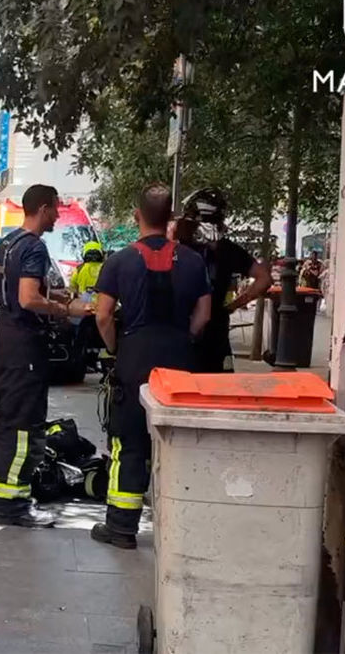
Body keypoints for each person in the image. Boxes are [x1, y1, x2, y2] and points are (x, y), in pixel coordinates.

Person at [90, 185, 211, 549]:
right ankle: (177, 528)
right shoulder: (192, 261)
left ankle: (122, 527)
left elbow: (103, 315)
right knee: (175, 442)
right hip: (178, 361)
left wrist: (115, 348)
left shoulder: (119, 261)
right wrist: (182, 339)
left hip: (135, 357)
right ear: (170, 218)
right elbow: (203, 315)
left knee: (128, 442)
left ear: (136, 216)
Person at [0, 185, 93, 528]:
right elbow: (29, 297)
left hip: (6, 339)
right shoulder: (34, 247)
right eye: (55, 209)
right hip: (25, 344)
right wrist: (63, 308)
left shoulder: (8, 242)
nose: (58, 215)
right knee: (25, 425)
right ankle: (13, 504)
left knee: (6, 420)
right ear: (43, 208)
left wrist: (55, 292)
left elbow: (18, 290)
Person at [174, 188, 272, 372]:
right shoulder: (229, 250)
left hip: (182, 333)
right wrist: (234, 305)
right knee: (219, 388)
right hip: (217, 335)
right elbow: (264, 279)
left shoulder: (179, 250)